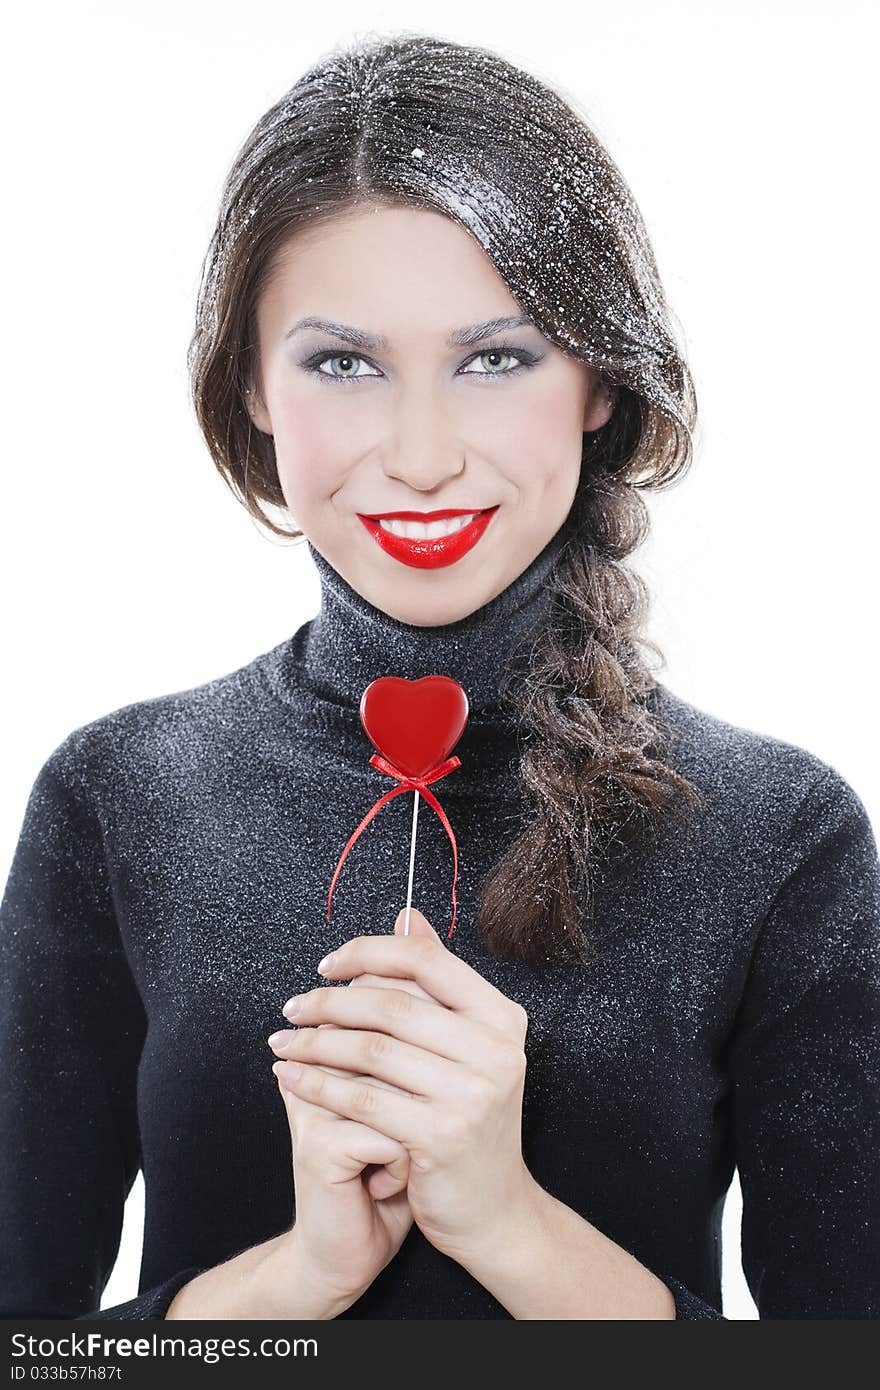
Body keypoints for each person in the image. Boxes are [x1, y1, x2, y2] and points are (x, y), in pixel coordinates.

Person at [1, 32, 878, 1322]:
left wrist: (515, 1231)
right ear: (252, 383)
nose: (420, 457)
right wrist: (295, 1282)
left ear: (596, 380)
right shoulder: (117, 797)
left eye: (497, 358)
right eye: (343, 363)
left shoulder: (778, 832)